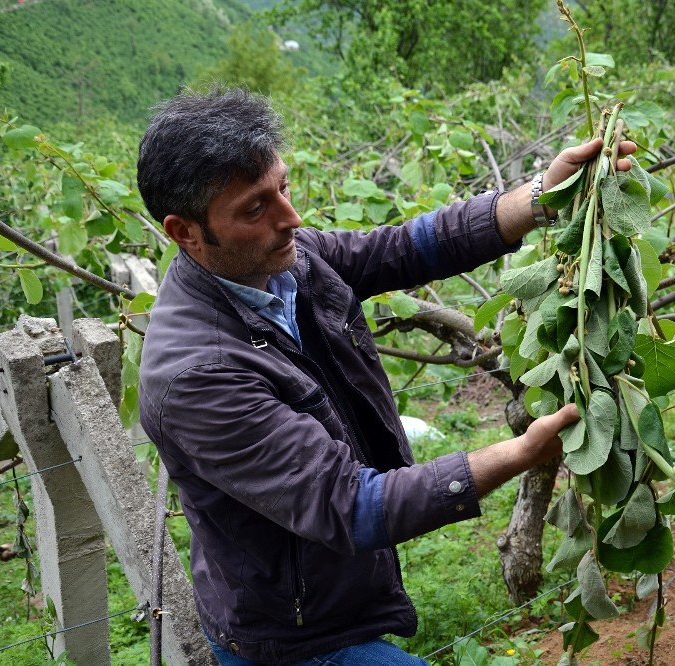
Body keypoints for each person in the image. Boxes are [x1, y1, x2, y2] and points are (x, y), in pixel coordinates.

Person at [136, 88, 636, 665]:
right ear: (185, 232)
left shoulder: (286, 264)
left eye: (284, 188)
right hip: (291, 640)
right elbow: (350, 505)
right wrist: (522, 452)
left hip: (337, 595)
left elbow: (406, 247)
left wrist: (543, 196)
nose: (289, 218)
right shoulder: (197, 374)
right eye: (254, 208)